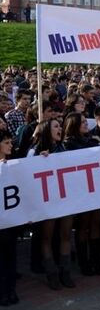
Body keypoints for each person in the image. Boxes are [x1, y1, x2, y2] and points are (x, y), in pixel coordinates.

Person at [33, 119, 76, 290]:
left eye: (60, 126)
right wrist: (39, 159)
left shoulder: (64, 147)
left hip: (65, 199)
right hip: (47, 202)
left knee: (66, 235)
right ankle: (51, 273)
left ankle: (65, 271)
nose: (60, 129)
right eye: (56, 127)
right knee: (47, 238)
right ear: (46, 130)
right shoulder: (35, 150)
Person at [62, 113, 100, 277]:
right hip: (80, 190)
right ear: (74, 125)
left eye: (86, 122)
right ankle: (84, 263)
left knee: (96, 223)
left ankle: (96, 262)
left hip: (96, 188)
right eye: (82, 123)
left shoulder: (93, 140)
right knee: (82, 225)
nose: (86, 124)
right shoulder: (68, 144)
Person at [0, 130, 20, 306]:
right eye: (6, 142)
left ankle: (11, 290)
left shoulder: (13, 164)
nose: (10, 145)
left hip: (10, 221)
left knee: (10, 256)